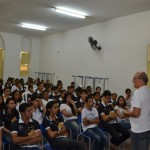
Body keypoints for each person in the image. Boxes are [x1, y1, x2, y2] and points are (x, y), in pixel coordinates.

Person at [124, 72, 150, 150]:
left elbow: (136, 113)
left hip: (138, 130)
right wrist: (131, 110)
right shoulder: (148, 91)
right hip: (147, 127)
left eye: (134, 78)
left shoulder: (138, 92)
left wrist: (126, 112)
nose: (132, 80)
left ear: (141, 80)